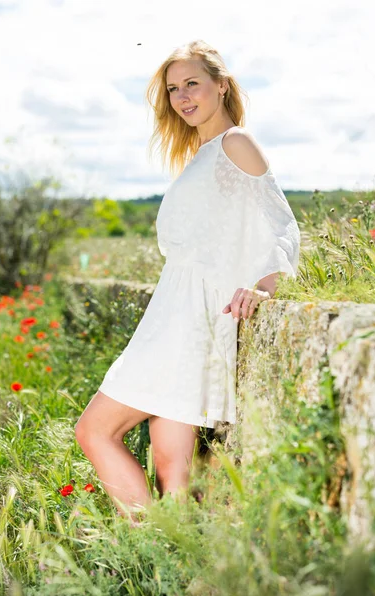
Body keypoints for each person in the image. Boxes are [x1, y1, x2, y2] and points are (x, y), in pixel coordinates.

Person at [74, 39, 301, 522]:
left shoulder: (235, 143)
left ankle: (149, 543)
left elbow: (279, 223)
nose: (182, 96)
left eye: (192, 83)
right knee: (171, 470)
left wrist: (266, 285)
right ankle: (170, 561)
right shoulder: (201, 155)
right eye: (174, 89)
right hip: (176, 312)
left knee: (95, 430)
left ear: (221, 86)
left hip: (192, 318)